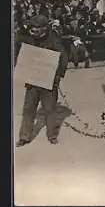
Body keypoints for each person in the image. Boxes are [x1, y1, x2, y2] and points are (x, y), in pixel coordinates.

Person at [14, 15, 69, 146]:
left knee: (49, 109)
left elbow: (64, 58)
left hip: (48, 82)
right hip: (33, 81)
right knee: (28, 108)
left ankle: (52, 135)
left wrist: (58, 76)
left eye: (37, 27)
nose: (33, 30)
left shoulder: (53, 40)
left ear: (45, 28)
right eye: (32, 27)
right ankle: (24, 136)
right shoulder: (28, 38)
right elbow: (17, 46)